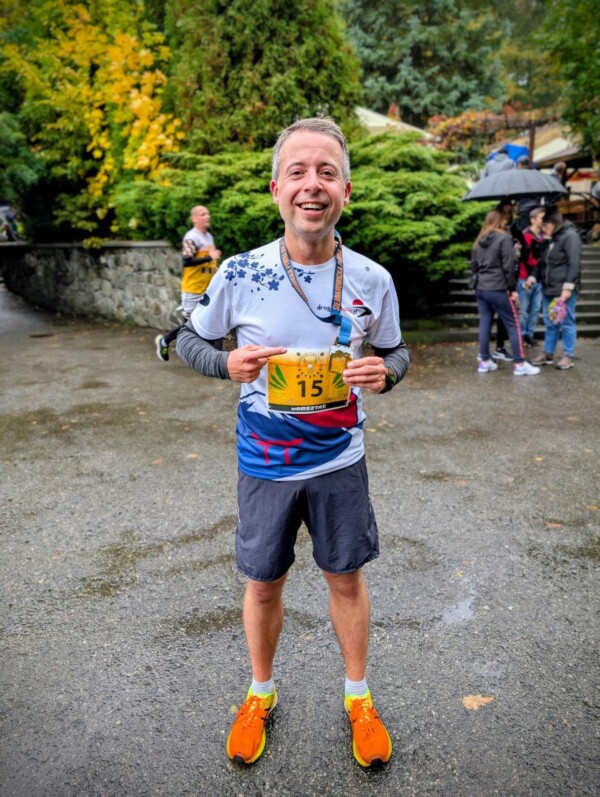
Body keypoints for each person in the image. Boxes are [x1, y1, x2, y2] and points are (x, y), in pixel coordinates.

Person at [176, 117, 410, 768]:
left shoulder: (372, 279)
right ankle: (260, 693)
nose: (313, 184)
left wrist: (385, 373)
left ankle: (358, 697)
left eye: (327, 172)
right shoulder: (241, 272)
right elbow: (190, 339)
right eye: (298, 172)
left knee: (346, 579)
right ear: (277, 189)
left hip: (340, 462)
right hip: (265, 462)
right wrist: (226, 363)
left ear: (346, 191)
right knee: (262, 584)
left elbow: (397, 351)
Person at [470, 209, 540, 376]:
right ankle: (520, 363)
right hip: (498, 287)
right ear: (501, 221)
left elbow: (473, 265)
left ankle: (484, 361)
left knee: (485, 323)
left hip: (481, 287)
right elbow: (508, 267)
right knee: (513, 324)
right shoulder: (504, 238)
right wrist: (512, 289)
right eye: (505, 220)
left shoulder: (479, 240)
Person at [155, 205, 222, 361]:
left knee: (215, 321)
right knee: (190, 326)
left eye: (208, 213)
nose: (207, 216)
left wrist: (217, 270)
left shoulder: (209, 237)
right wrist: (209, 257)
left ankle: (216, 359)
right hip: (193, 289)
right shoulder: (191, 237)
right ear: (194, 219)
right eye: (203, 214)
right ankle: (165, 341)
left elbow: (210, 263)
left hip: (208, 289)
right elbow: (187, 261)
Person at [531, 208, 581, 370]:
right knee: (550, 322)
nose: (543, 229)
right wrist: (533, 277)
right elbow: (541, 262)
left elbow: (574, 263)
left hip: (563, 289)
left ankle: (568, 355)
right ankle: (548, 353)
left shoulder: (570, 236)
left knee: (567, 322)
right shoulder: (551, 237)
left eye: (545, 226)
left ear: (552, 224)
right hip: (549, 288)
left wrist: (568, 288)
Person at [517, 207, 546, 346]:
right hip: (524, 277)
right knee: (523, 310)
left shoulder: (544, 236)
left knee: (535, 310)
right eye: (542, 218)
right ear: (533, 220)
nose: (544, 221)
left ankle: (530, 335)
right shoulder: (525, 236)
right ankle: (522, 336)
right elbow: (526, 258)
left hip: (539, 279)